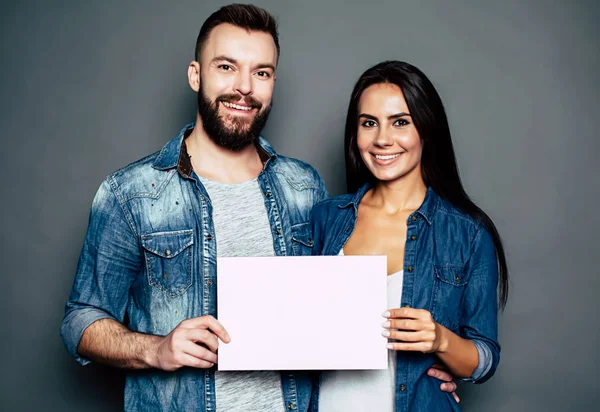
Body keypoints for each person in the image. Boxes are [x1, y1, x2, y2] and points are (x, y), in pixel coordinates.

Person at [60, 4, 458, 411]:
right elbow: (80, 321)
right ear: (196, 75)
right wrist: (155, 349)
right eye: (227, 67)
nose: (244, 87)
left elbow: (340, 312)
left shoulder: (304, 187)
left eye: (261, 72)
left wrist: (424, 370)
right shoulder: (130, 193)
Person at [311, 61, 508, 412]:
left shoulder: (467, 233)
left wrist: (442, 340)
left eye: (400, 122)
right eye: (369, 123)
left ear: (426, 130)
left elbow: (485, 358)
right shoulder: (325, 218)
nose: (383, 139)